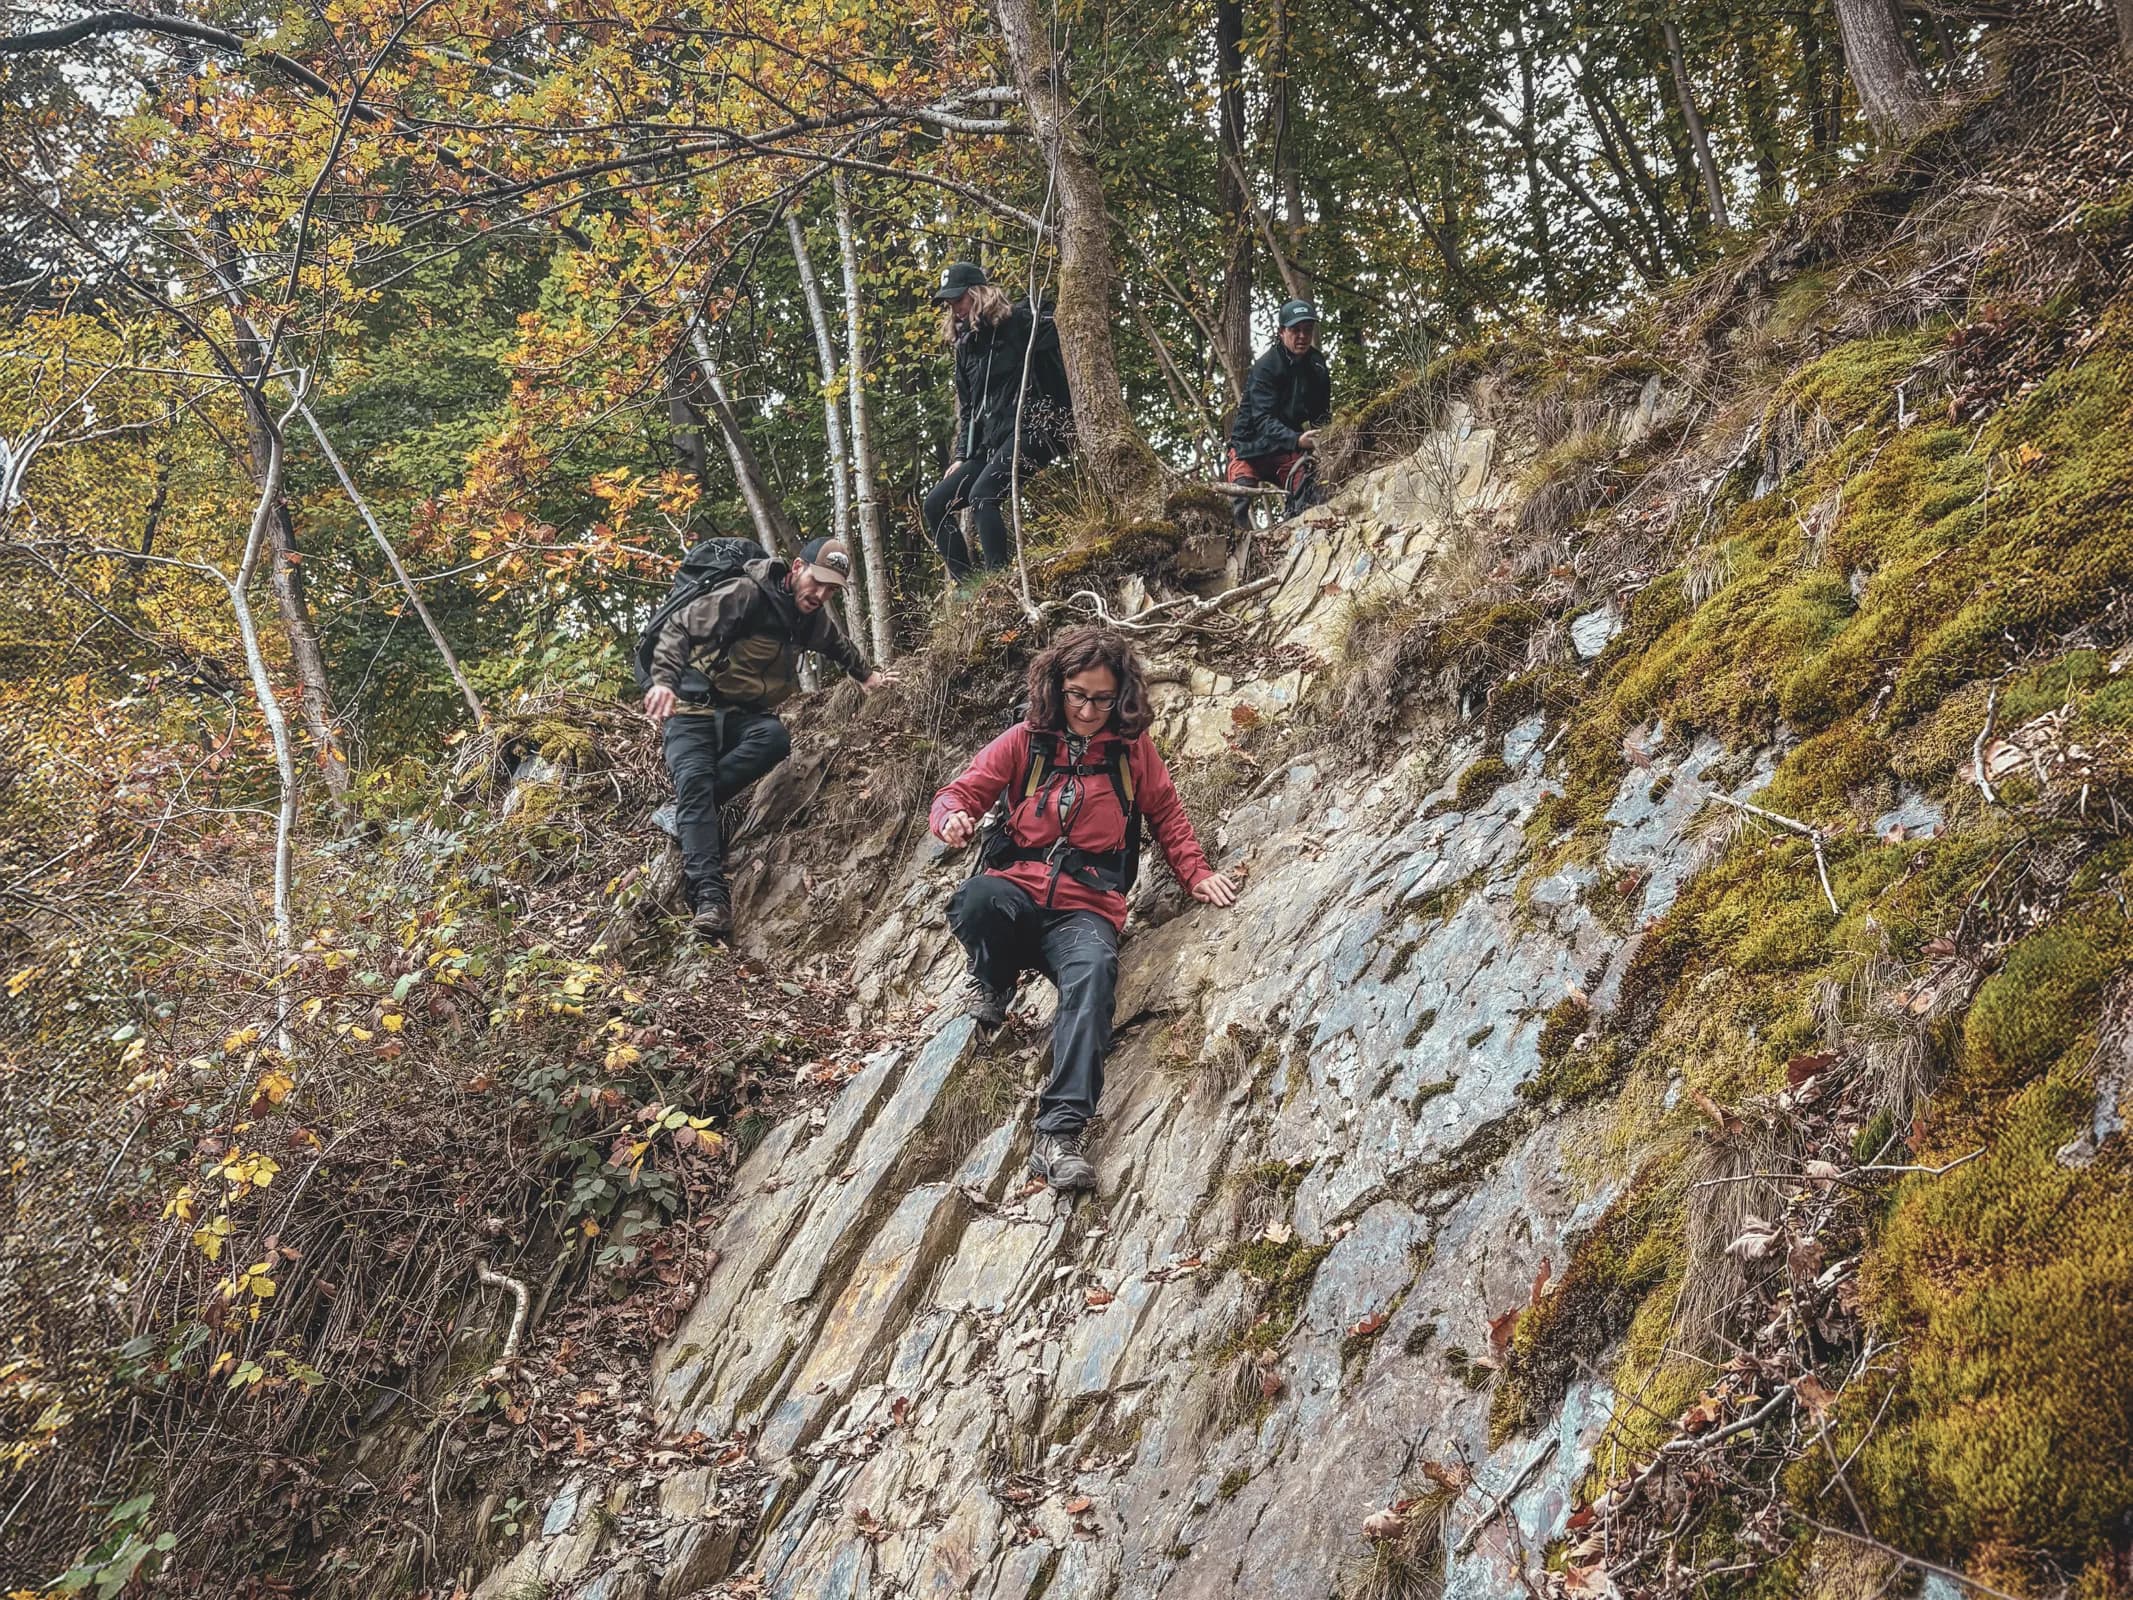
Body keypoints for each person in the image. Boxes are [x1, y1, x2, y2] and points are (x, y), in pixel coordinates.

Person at [930, 627, 1239, 1192]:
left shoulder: (1130, 751)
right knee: (976, 899)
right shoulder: (1025, 741)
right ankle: (994, 984)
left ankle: (1058, 1136)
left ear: (1121, 694)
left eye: (1102, 697)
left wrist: (1196, 873)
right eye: (1078, 695)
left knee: (1094, 977)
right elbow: (960, 793)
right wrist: (951, 818)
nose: (1090, 709)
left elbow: (1166, 813)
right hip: (1016, 891)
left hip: (1086, 907)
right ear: (1057, 687)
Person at [644, 536, 888, 940]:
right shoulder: (745, 594)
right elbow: (678, 628)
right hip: (688, 703)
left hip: (739, 712)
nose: (821, 594)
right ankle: (710, 900)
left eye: (831, 589)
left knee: (773, 738)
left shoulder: (808, 617)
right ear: (796, 569)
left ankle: (689, 808)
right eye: (817, 581)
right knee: (694, 780)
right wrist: (664, 683)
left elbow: (836, 645)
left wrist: (866, 676)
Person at [922, 261, 1075, 580]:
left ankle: (998, 583)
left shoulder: (1018, 321)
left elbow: (1067, 325)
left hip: (1034, 430)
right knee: (936, 504)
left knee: (982, 496)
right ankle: (969, 588)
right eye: (948, 304)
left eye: (958, 300)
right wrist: (962, 455)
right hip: (991, 444)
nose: (954, 309)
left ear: (978, 293)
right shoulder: (964, 349)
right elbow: (968, 408)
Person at [1226, 298, 1333, 528]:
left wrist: (1326, 443)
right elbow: (1263, 421)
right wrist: (1296, 440)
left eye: (1307, 330)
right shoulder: (1266, 366)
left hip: (1287, 449)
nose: (1302, 336)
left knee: (1308, 493)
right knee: (1238, 503)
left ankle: (1294, 536)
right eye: (1295, 330)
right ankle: (1235, 549)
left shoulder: (1317, 366)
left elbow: (1322, 416)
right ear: (1281, 332)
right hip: (1249, 447)